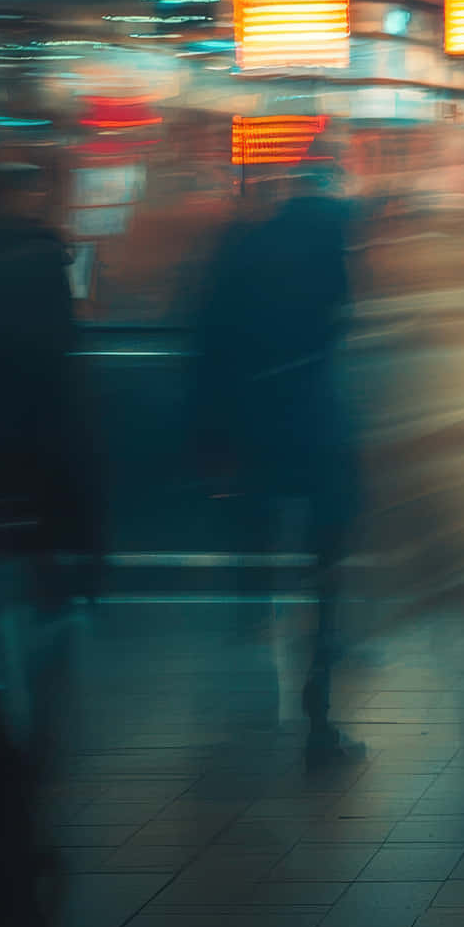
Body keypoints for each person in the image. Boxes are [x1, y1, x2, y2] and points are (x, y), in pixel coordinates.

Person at [0, 161, 100, 927]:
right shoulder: (33, 266)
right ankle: (10, 848)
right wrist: (87, 537)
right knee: (20, 698)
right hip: (12, 525)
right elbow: (65, 404)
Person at [191, 168, 363, 772]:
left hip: (253, 423)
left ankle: (247, 648)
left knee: (256, 545)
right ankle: (318, 701)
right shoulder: (344, 249)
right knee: (327, 568)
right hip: (322, 424)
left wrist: (210, 438)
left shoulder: (244, 245)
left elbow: (208, 339)